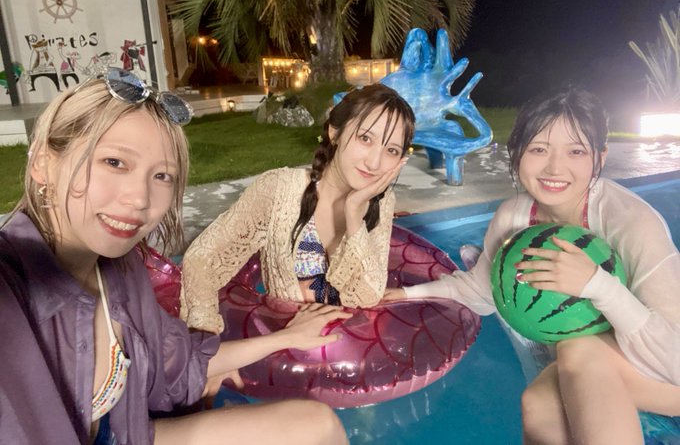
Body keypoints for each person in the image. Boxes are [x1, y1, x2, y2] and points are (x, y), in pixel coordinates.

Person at [0, 70, 349, 445]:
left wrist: (285, 337)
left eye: (162, 176)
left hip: (127, 434)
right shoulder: (10, 287)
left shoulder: (121, 270)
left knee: (316, 425)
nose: (140, 199)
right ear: (42, 163)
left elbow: (179, 364)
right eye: (114, 162)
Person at [384, 89, 680, 444]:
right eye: (539, 149)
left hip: (666, 371)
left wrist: (599, 286)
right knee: (538, 403)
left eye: (575, 151)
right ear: (516, 152)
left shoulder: (631, 222)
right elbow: (481, 290)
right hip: (599, 368)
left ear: (600, 157)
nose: (555, 168)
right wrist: (405, 294)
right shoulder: (515, 217)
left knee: (578, 349)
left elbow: (674, 361)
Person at [181, 83, 415, 334]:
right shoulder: (279, 190)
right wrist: (205, 335)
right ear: (335, 132)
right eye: (365, 138)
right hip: (285, 345)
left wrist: (354, 213)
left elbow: (367, 295)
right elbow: (202, 258)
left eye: (391, 150)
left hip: (352, 345)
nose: (374, 162)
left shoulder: (380, 201)